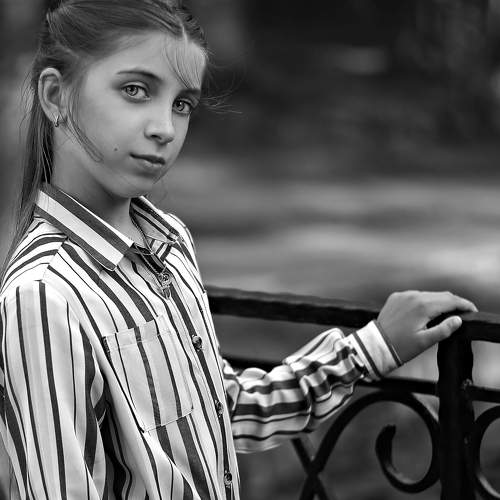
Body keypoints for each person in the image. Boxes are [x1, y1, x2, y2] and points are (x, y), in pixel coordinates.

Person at [0, 1, 477, 499]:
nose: (164, 128)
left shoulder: (168, 242)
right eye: (135, 90)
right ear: (55, 95)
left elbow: (223, 409)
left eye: (182, 104)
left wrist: (372, 348)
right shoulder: (44, 295)